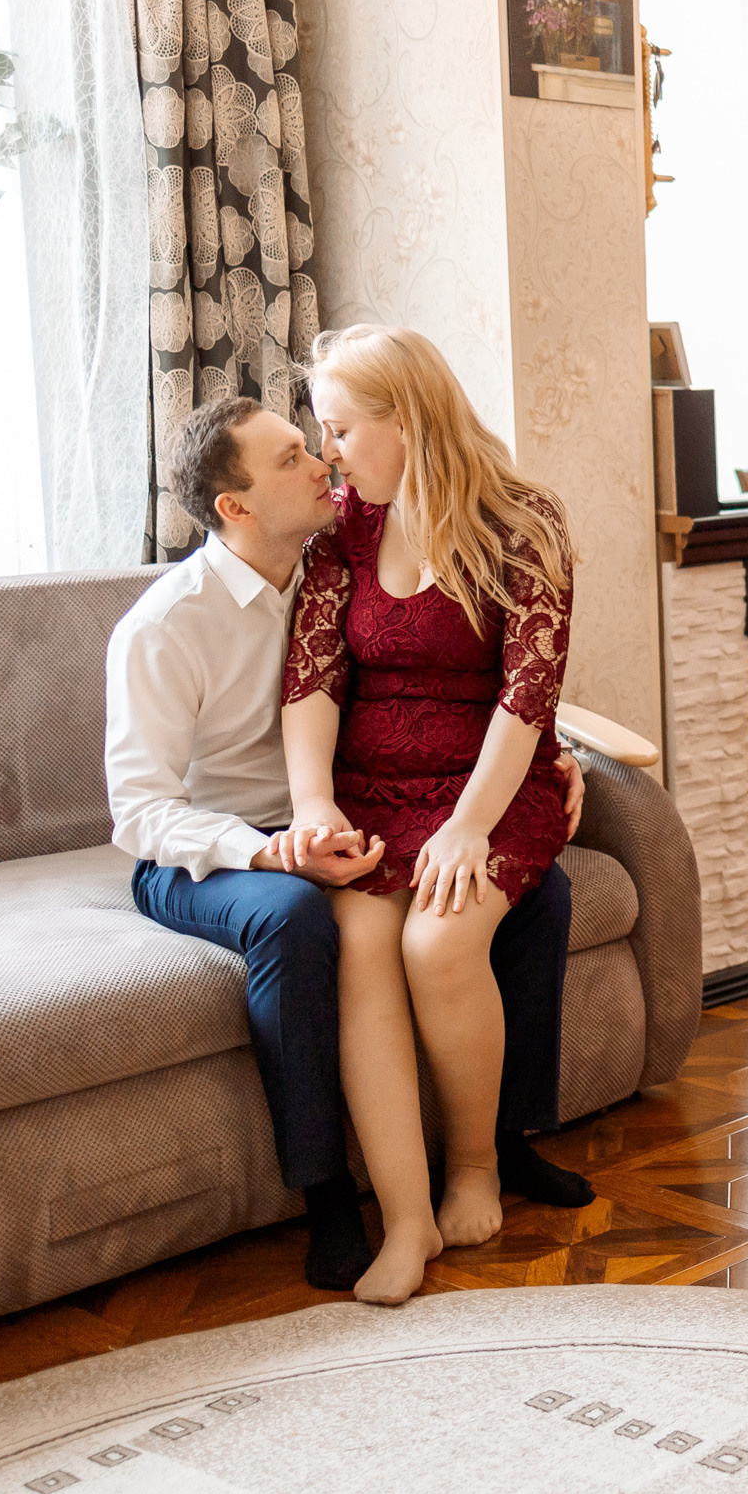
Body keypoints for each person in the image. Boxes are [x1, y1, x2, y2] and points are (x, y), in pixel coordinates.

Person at [109, 394, 594, 1296]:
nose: (322, 463)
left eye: (318, 442)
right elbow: (138, 812)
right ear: (235, 506)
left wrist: (551, 757)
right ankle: (329, 1194)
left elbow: (457, 677)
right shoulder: (165, 626)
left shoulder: (333, 556)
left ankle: (500, 1145)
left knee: (539, 893)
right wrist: (274, 849)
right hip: (208, 847)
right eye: (293, 457)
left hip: (347, 809)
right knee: (299, 920)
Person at [276, 325, 579, 1305]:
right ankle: (407, 1221)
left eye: (341, 429)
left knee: (439, 943)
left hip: (490, 790)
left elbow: (527, 696)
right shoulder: (343, 530)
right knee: (361, 944)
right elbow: (312, 679)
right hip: (371, 790)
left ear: (405, 418)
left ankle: (475, 1168)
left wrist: (469, 824)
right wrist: (315, 804)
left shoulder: (523, 522)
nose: (330, 454)